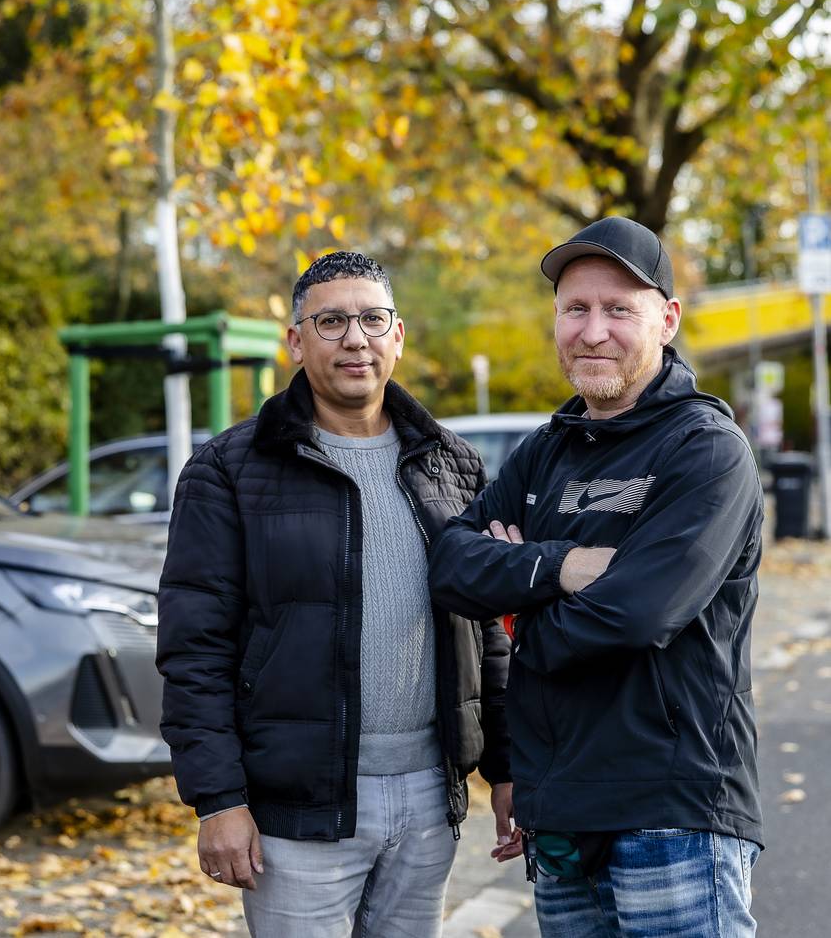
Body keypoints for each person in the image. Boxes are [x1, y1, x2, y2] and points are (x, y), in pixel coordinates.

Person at [156, 251, 513, 937]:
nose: (356, 338)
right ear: (296, 341)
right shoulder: (229, 471)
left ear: (398, 336)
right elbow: (193, 649)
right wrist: (218, 801)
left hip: (427, 801)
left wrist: (508, 769)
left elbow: (486, 632)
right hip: (297, 810)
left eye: (373, 319)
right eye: (332, 321)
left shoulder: (452, 464)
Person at [428, 217, 764, 937]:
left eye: (619, 309)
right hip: (562, 820)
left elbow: (637, 616)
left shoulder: (706, 452)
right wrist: (560, 566)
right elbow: (450, 566)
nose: (592, 331)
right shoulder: (543, 454)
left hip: (672, 817)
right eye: (575, 309)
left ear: (667, 320)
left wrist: (518, 611)